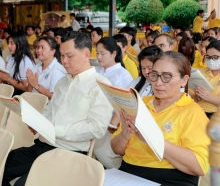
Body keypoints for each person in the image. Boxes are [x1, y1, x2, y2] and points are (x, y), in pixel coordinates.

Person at [2, 31, 113, 186]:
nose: (64, 61)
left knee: (23, 183)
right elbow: (49, 110)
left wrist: (55, 129)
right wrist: (39, 122)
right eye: (62, 56)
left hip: (68, 153)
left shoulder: (101, 86)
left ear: (87, 54)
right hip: (42, 145)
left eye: (70, 56)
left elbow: (96, 128)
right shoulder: (63, 82)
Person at [111, 51, 210, 185]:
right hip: (127, 173)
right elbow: (117, 149)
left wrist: (153, 139)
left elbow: (199, 166)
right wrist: (125, 134)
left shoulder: (193, 113)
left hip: (170, 178)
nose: (158, 82)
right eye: (154, 75)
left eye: (166, 77)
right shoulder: (139, 104)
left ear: (184, 80)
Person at [93, 37, 132, 169]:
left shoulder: (123, 75)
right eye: (97, 53)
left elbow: (123, 105)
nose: (98, 57)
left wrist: (113, 122)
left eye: (102, 53)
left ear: (114, 54)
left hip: (111, 124)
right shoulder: (96, 70)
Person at [0, 31, 35, 96]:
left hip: (20, 94)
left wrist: (8, 78)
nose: (8, 46)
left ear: (21, 44)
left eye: (12, 43)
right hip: (10, 90)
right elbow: (7, 81)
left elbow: (25, 87)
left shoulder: (25, 61)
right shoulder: (10, 57)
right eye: (8, 43)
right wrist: (2, 74)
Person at [190, 40, 220, 118]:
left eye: (215, 57)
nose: (211, 60)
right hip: (197, 111)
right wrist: (196, 97)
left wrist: (210, 98)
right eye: (208, 57)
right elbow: (189, 93)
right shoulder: (200, 72)